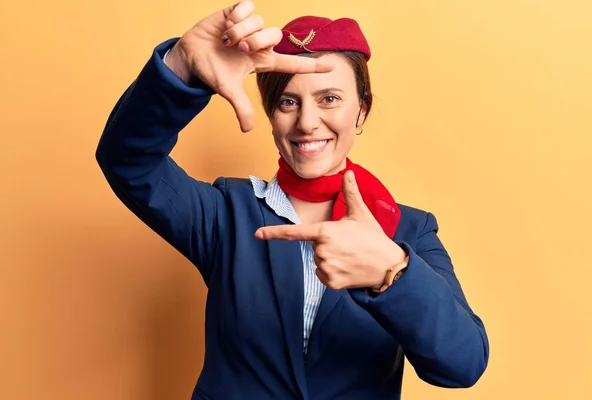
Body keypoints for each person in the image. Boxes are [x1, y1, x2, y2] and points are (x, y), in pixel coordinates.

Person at [96, 1, 489, 399]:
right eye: (288, 102)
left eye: (330, 98)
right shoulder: (226, 214)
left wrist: (393, 273)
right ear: (271, 114)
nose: (306, 122)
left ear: (362, 111)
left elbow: (463, 364)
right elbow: (128, 161)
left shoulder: (410, 232)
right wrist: (179, 67)